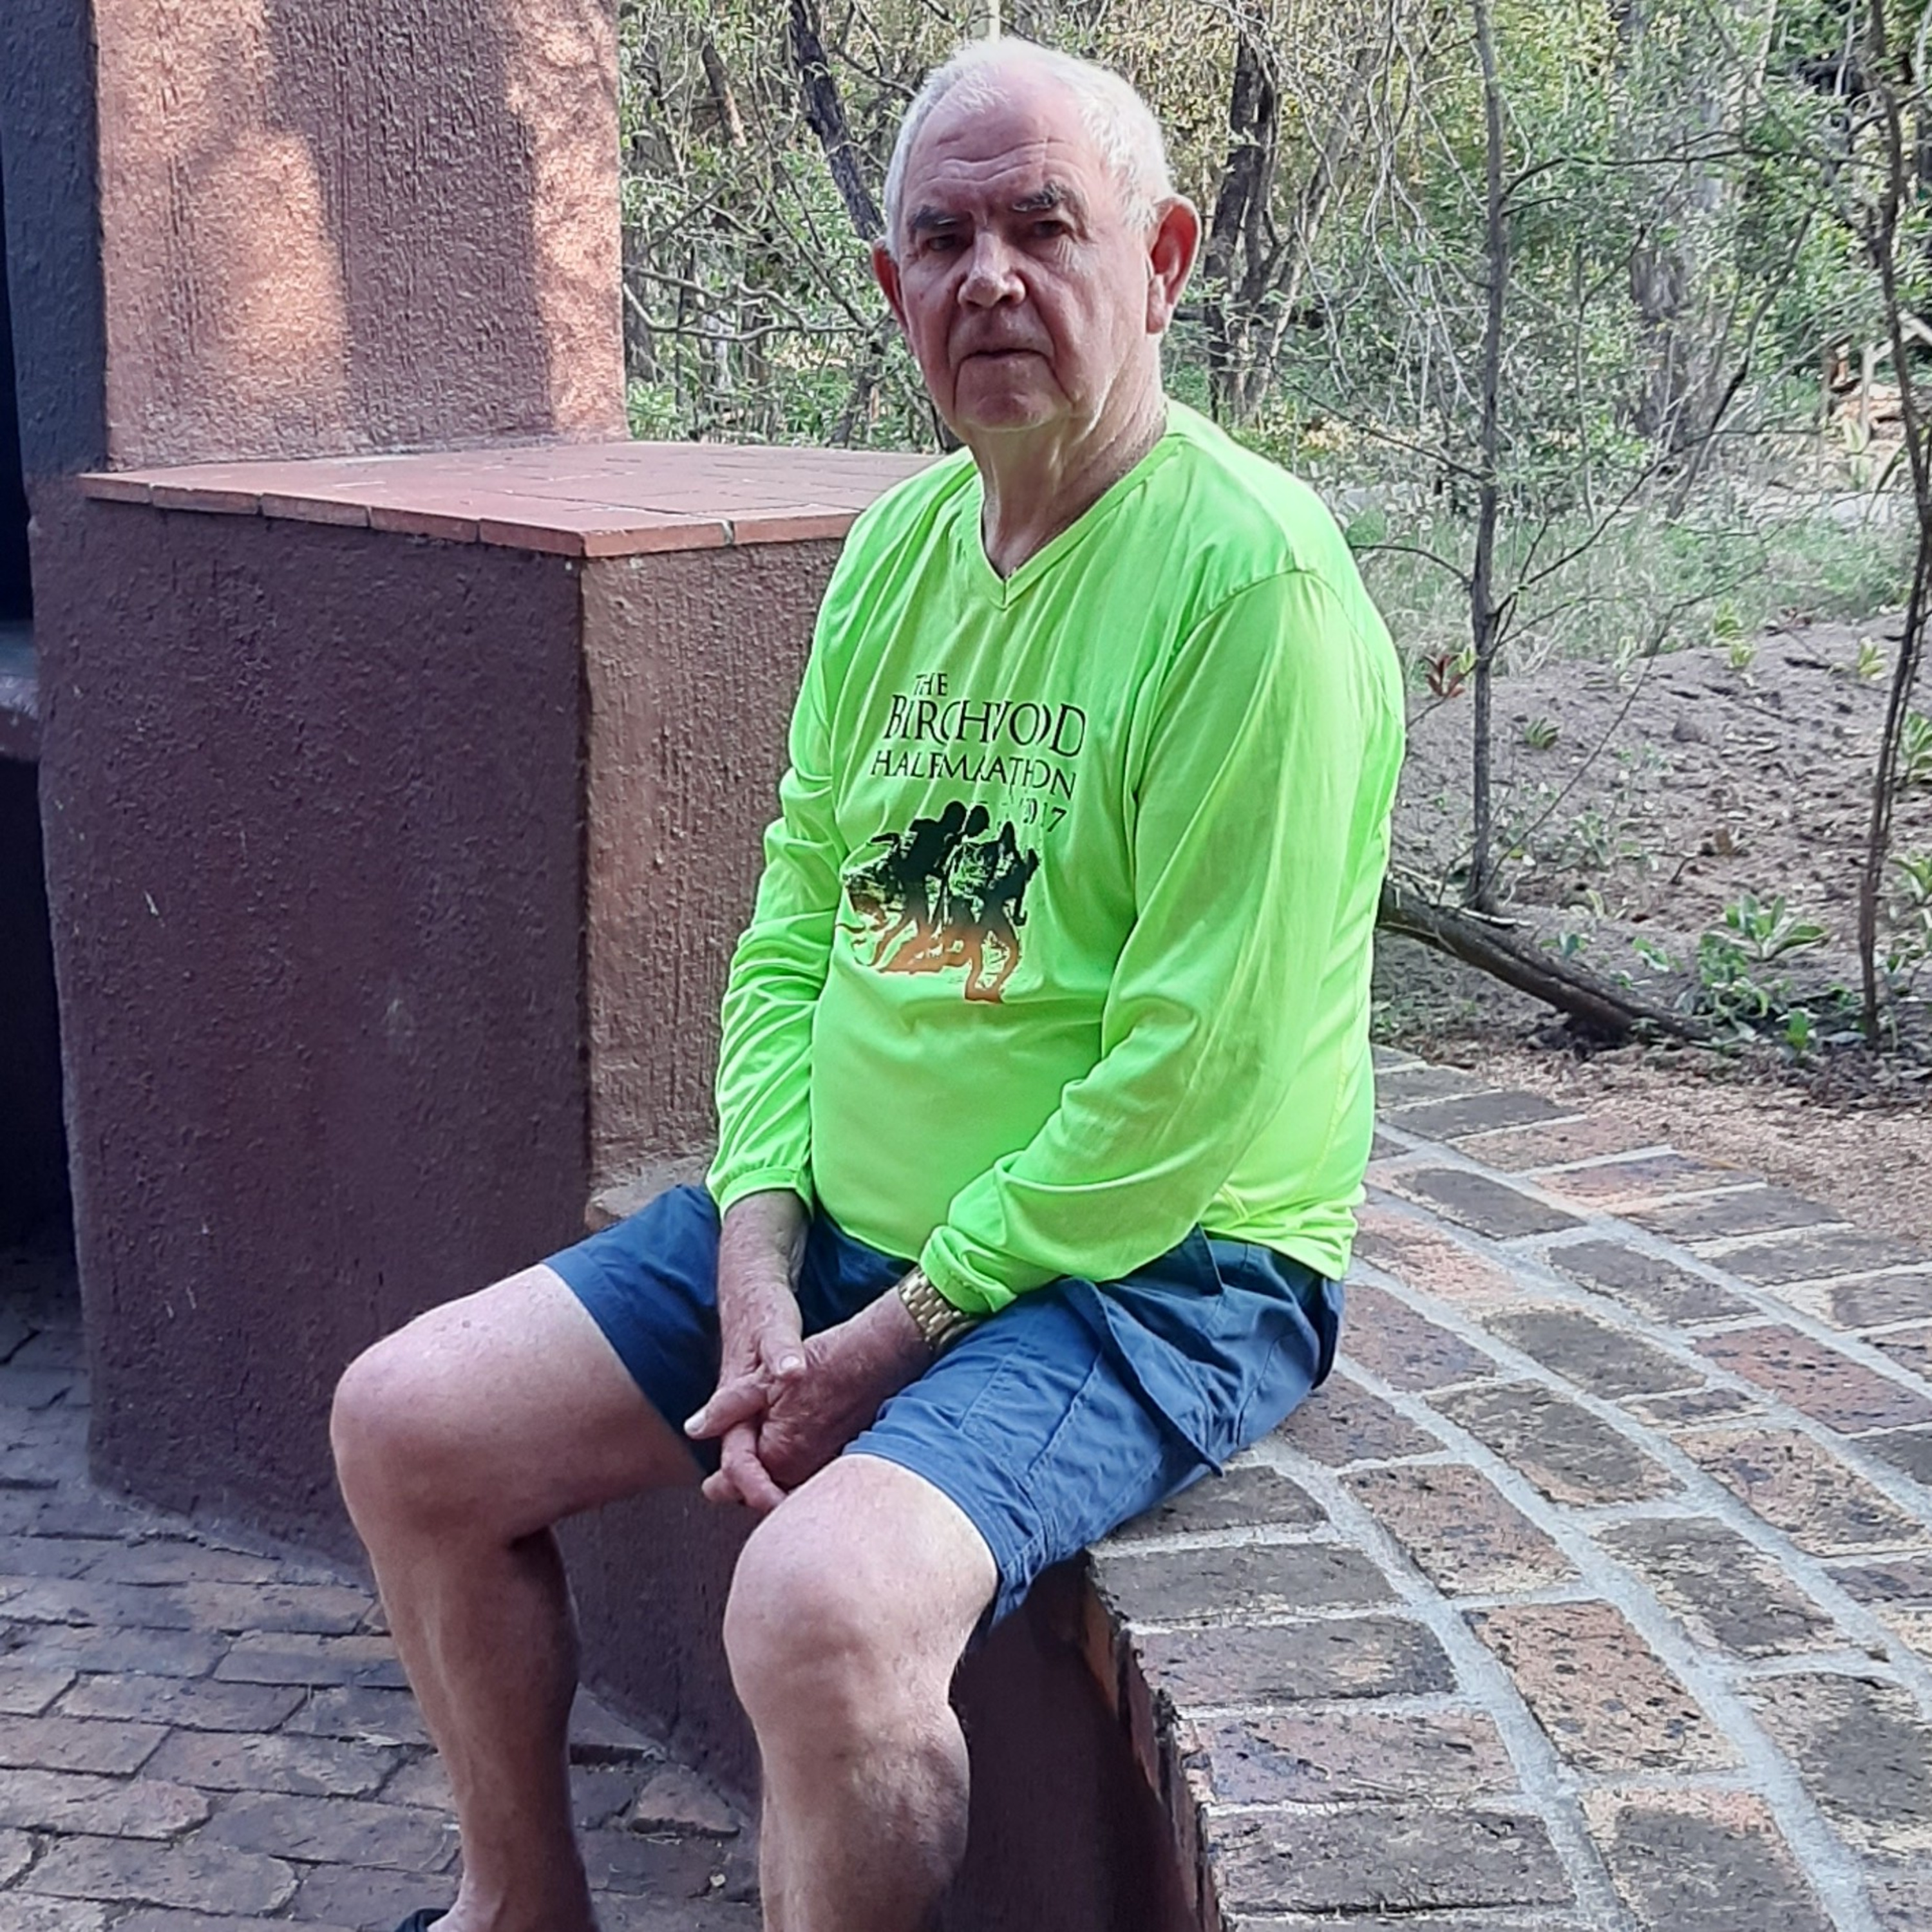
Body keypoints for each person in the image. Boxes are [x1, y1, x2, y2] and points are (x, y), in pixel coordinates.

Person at [329, 34, 1403, 1932]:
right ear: (893, 285)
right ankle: (520, 1910)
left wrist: (903, 1325)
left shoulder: (1257, 593)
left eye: (1044, 228)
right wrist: (759, 1247)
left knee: (817, 1614)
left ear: (1160, 260)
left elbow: (1189, 1080)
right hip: (852, 1233)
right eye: (945, 240)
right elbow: (798, 929)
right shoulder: (903, 549)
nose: (991, 278)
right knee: (407, 1425)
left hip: (1156, 1269)